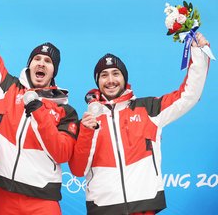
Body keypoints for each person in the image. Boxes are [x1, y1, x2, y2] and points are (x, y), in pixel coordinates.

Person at [0, 0, 79, 215]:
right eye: (37, 59)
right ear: (29, 64)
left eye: (47, 61)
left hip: (43, 201)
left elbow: (62, 153)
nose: (41, 64)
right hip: (4, 195)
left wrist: (39, 112)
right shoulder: (7, 88)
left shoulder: (65, 111)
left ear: (54, 71)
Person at [69, 34, 211, 214]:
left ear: (124, 78)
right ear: (98, 81)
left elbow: (188, 95)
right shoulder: (88, 122)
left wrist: (198, 54)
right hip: (103, 207)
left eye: (115, 73)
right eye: (104, 75)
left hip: (144, 206)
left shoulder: (149, 108)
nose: (110, 80)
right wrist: (87, 132)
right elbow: (78, 170)